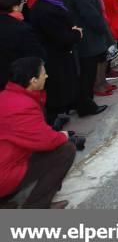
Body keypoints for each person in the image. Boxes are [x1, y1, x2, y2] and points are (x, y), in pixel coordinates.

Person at [0, 57, 76, 209]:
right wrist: (63, 135)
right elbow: (46, 141)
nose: (46, 76)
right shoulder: (22, 106)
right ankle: (36, 207)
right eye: (44, 73)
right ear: (33, 81)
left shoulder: (6, 96)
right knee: (66, 149)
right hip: (4, 174)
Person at [29, 0, 82, 125]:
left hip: (58, 54)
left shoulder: (52, 4)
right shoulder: (46, 9)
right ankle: (55, 123)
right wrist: (77, 34)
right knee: (57, 92)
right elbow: (61, 37)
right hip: (55, 56)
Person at [62, 0, 112, 117]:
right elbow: (91, 14)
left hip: (79, 34)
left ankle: (81, 103)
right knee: (87, 74)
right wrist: (103, 31)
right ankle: (86, 106)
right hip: (88, 37)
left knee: (82, 73)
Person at [0, 0, 46, 90]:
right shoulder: (21, 29)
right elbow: (38, 55)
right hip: (13, 82)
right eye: (23, 2)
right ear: (15, 6)